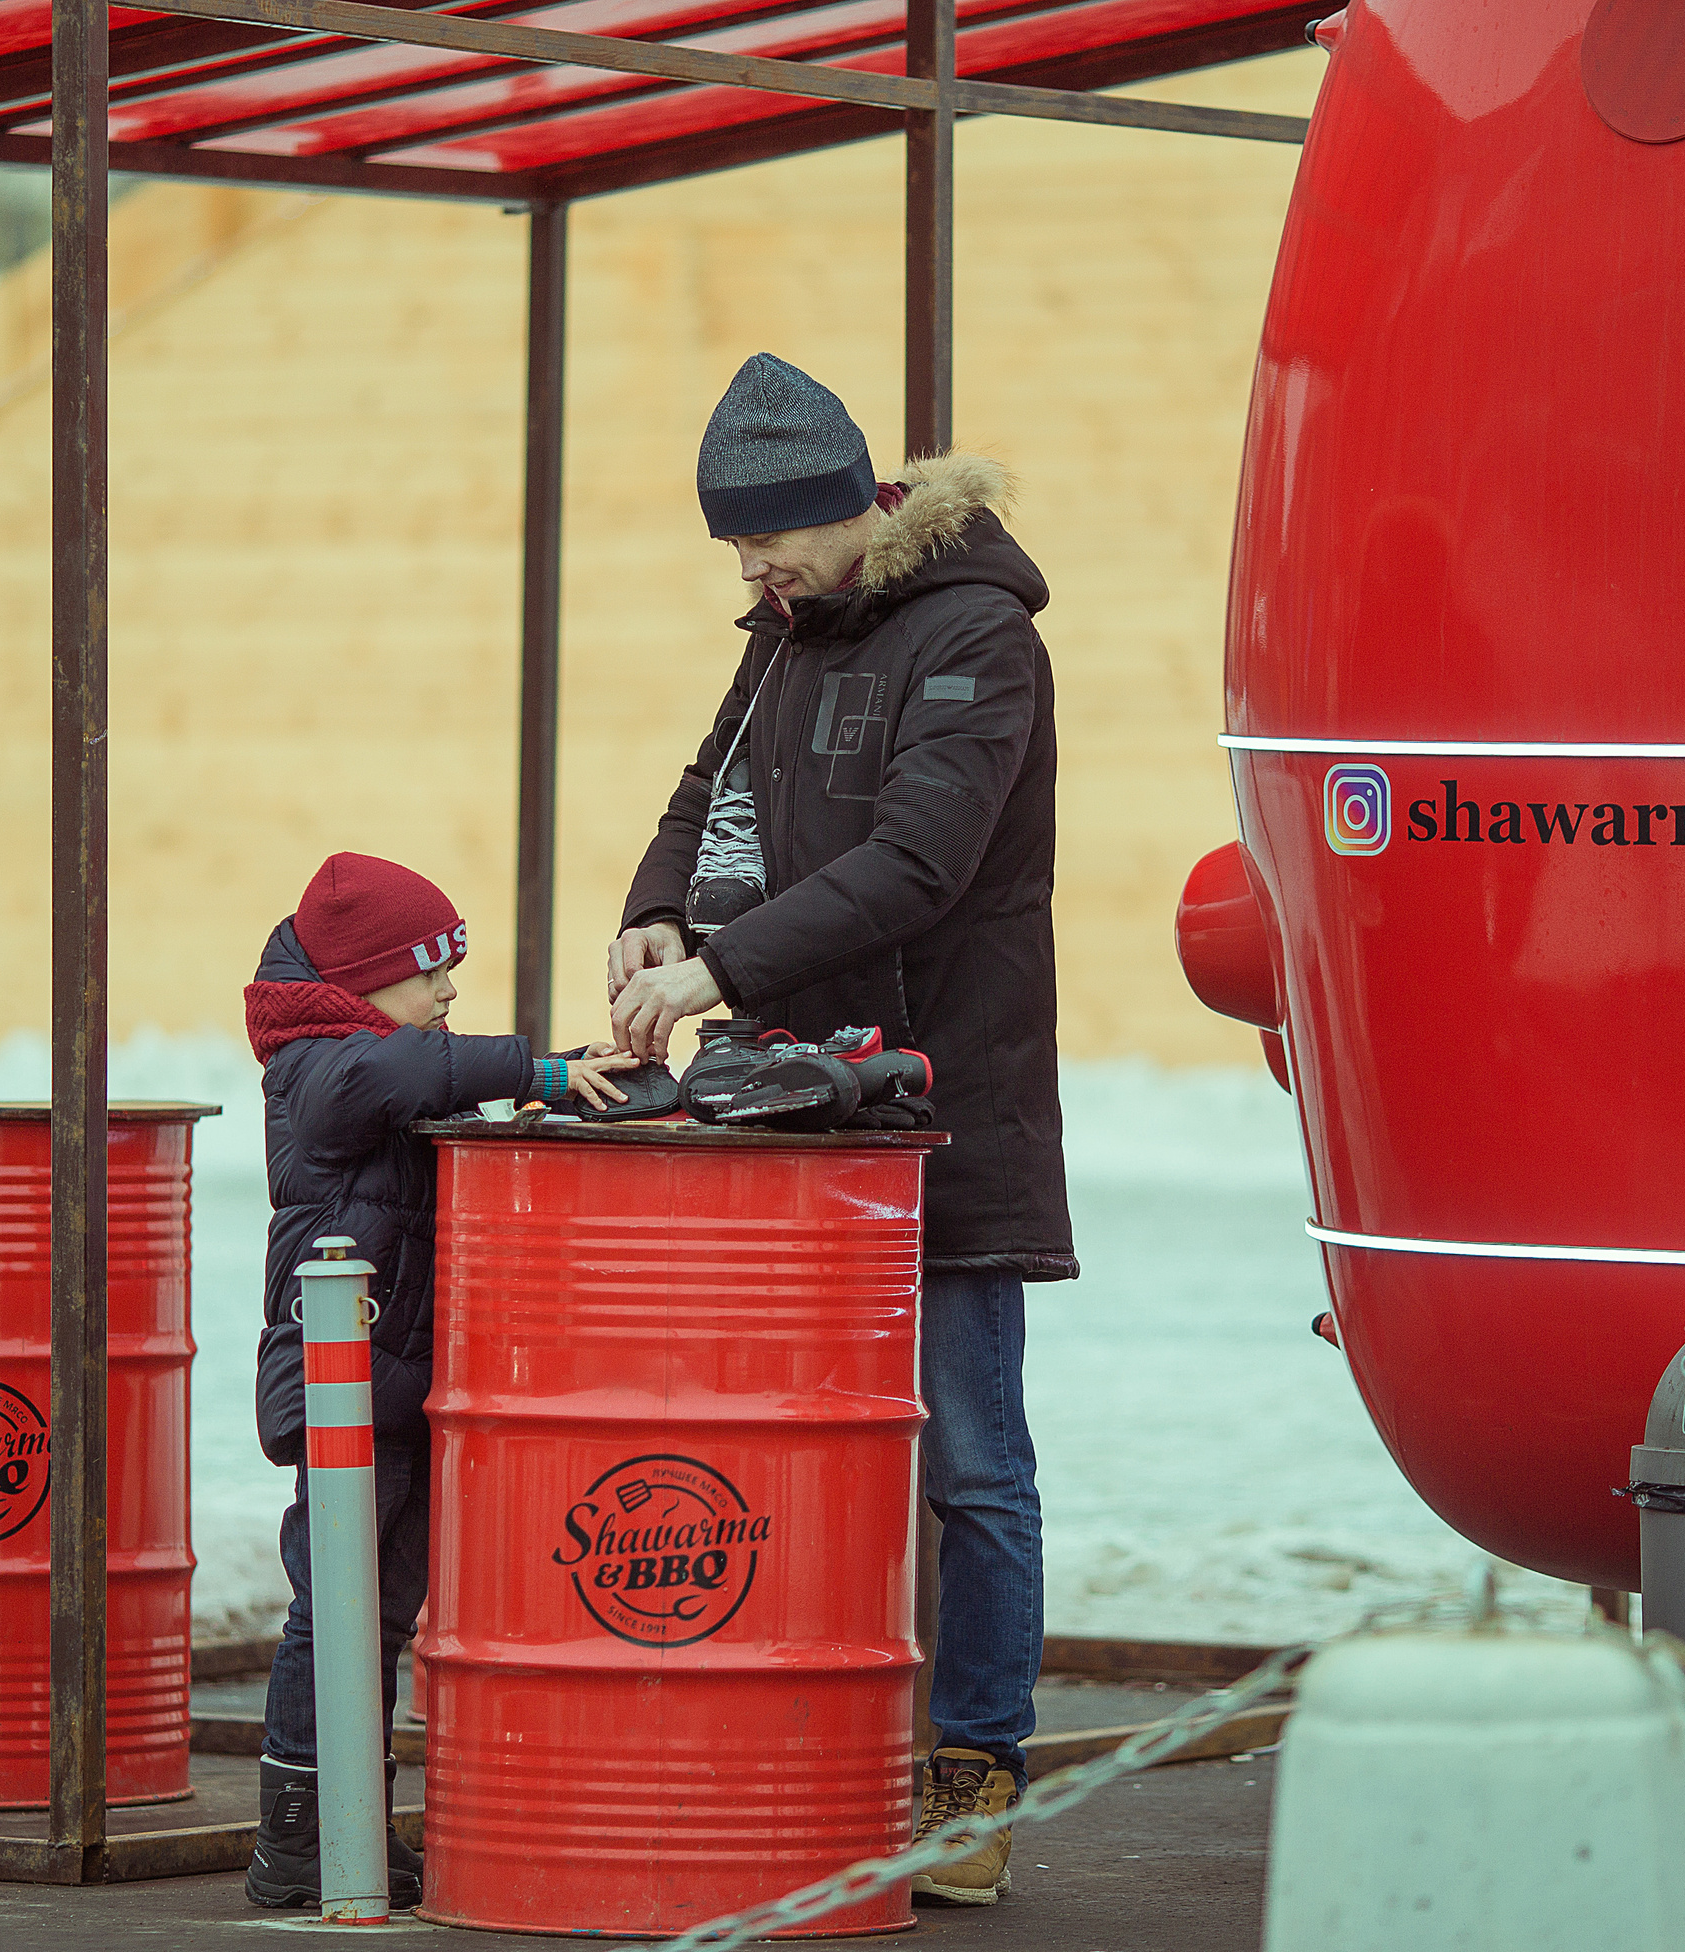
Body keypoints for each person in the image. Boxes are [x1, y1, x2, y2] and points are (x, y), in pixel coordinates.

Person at [608, 353, 1076, 1908]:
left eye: (769, 541)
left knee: (970, 1463)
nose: (750, 570)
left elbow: (920, 863)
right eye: (735, 546)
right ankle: (813, 1738)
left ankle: (975, 1770)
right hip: (795, 1107)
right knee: (797, 1450)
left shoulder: (979, 639)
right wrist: (655, 910)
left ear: (854, 508)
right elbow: (709, 787)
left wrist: (722, 967)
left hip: (948, 1107)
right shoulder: (790, 632)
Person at [244, 851, 635, 1909]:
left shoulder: (367, 1059)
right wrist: (536, 1068)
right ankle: (293, 1827)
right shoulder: (319, 1064)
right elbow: (403, 1075)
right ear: (360, 982)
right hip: (334, 1382)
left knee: (383, 1610)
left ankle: (350, 1816)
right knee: (334, 1607)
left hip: (395, 1385)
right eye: (429, 974)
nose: (447, 991)